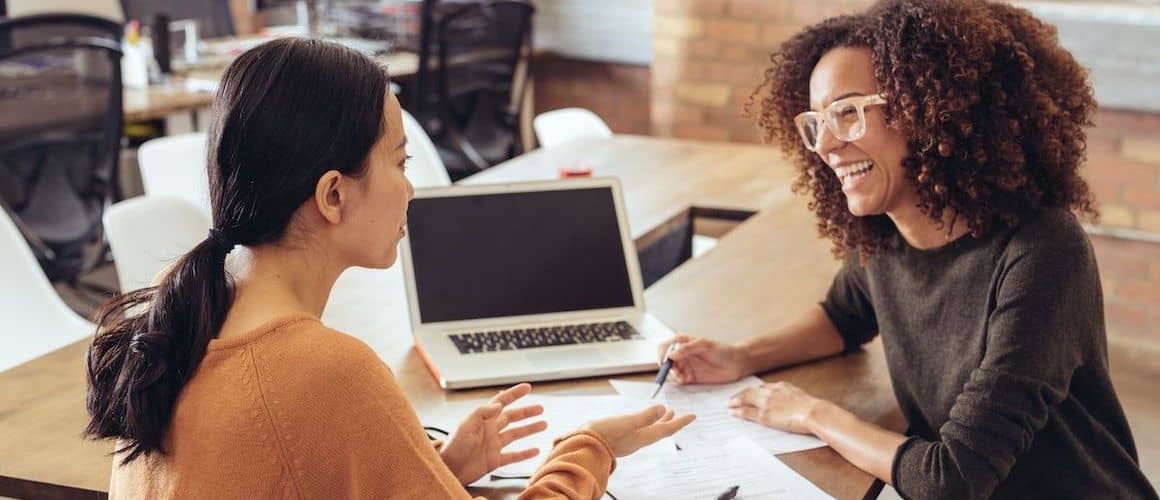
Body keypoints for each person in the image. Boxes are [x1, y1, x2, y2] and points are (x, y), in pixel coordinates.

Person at [85, 38, 693, 499]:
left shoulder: (177, 320)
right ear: (332, 196)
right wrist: (588, 450)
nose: (410, 190)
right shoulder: (328, 374)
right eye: (400, 163)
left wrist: (435, 470)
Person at [658, 1, 1158, 498]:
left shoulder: (1043, 251)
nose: (828, 144)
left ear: (929, 109)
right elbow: (843, 316)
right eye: (817, 122)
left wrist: (811, 412)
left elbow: (950, 477)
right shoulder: (887, 235)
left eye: (849, 113)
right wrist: (739, 356)